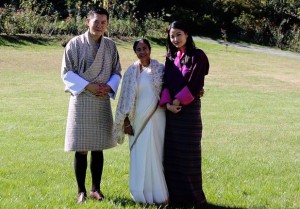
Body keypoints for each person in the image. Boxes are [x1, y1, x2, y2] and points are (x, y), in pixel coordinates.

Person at [61, 6, 122, 204]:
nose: (100, 26)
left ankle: (96, 188)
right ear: (88, 22)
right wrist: (89, 86)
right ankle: (81, 191)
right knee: (81, 148)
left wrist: (108, 86)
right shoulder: (74, 44)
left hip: (101, 98)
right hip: (82, 99)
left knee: (98, 147)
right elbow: (67, 73)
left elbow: (116, 71)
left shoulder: (111, 45)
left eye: (104, 22)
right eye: (96, 22)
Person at [159, 20, 209, 208]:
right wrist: (168, 104)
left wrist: (178, 101)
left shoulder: (198, 56)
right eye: (172, 36)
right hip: (172, 113)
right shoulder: (170, 58)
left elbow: (196, 83)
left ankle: (196, 200)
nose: (175, 39)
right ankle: (176, 198)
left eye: (179, 34)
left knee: (189, 157)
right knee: (171, 156)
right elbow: (165, 83)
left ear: (187, 34)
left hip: (189, 113)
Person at [114, 38, 169, 205]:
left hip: (157, 117)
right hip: (136, 119)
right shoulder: (131, 71)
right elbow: (124, 98)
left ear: (150, 49)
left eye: (145, 48)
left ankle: (159, 195)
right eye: (139, 49)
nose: (142, 51)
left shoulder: (160, 69)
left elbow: (171, 87)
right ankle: (140, 194)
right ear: (135, 51)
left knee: (156, 156)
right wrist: (125, 122)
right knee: (139, 155)